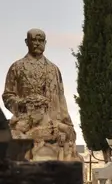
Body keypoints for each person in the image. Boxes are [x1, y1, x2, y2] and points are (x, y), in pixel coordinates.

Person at [3, 29, 80, 161]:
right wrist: (22, 104)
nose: (37, 43)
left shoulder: (53, 69)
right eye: (34, 40)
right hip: (25, 123)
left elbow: (61, 99)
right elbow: (8, 95)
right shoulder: (17, 67)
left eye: (41, 40)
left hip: (50, 122)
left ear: (45, 43)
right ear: (27, 42)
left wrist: (66, 123)